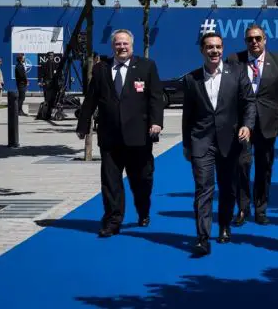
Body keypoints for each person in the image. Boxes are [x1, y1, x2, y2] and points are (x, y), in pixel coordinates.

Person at [76, 29, 164, 237]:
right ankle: (113, 221)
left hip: (139, 136)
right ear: (113, 46)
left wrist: (156, 122)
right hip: (110, 137)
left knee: (142, 180)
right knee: (110, 182)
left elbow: (155, 97)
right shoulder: (101, 69)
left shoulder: (146, 66)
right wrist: (83, 124)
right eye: (118, 44)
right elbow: (91, 99)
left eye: (125, 44)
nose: (122, 47)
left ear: (131, 46)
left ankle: (143, 209)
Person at [182, 32, 256, 257]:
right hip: (201, 141)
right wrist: (187, 144)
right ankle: (202, 238)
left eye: (218, 47)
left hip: (230, 140)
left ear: (223, 49)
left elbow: (249, 103)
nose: (214, 51)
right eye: (209, 47)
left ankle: (224, 224)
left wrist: (247, 126)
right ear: (202, 50)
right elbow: (188, 115)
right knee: (203, 189)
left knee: (227, 187)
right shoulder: (191, 78)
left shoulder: (237, 73)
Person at [226, 24, 278, 226]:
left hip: (269, 123)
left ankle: (261, 208)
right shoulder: (233, 60)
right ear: (245, 42)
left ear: (265, 40)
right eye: (250, 39)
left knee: (264, 168)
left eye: (258, 38)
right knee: (241, 166)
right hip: (241, 124)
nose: (254, 42)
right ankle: (242, 208)